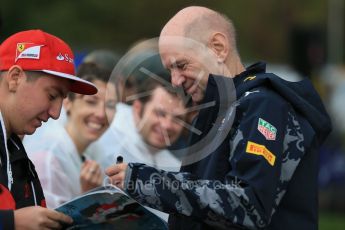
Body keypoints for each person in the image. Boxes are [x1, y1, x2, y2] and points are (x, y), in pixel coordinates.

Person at [105, 6, 332, 230]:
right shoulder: (216, 112)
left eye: (181, 65)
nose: (175, 81)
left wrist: (146, 181)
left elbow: (248, 204)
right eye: (169, 70)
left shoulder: (263, 105)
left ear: (218, 47)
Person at [0, 30, 97, 229]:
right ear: (15, 78)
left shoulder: (14, 148)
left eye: (63, 99)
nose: (56, 114)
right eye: (52, 96)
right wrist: (12, 223)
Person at [23, 63, 117, 208]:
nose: (101, 114)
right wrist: (89, 196)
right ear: (67, 102)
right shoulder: (48, 158)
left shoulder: (96, 151)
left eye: (110, 105)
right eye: (91, 102)